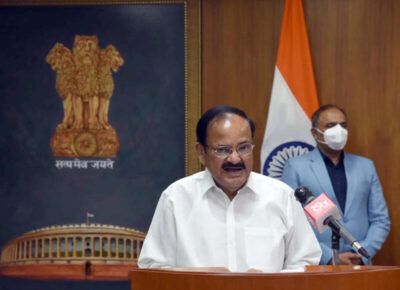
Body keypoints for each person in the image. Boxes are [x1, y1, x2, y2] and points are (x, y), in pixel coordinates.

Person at [138, 105, 321, 272]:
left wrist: (269, 283)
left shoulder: (281, 196)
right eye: (223, 150)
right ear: (201, 153)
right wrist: (199, 278)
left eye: (243, 148)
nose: (235, 159)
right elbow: (151, 267)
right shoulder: (176, 198)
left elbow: (306, 263)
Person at [281, 104, 390, 265]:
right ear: (314, 132)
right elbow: (291, 222)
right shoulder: (296, 167)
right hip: (318, 265)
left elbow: (381, 219)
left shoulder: (366, 166)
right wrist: (329, 256)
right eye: (331, 125)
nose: (339, 131)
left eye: (343, 125)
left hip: (360, 266)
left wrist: (361, 251)